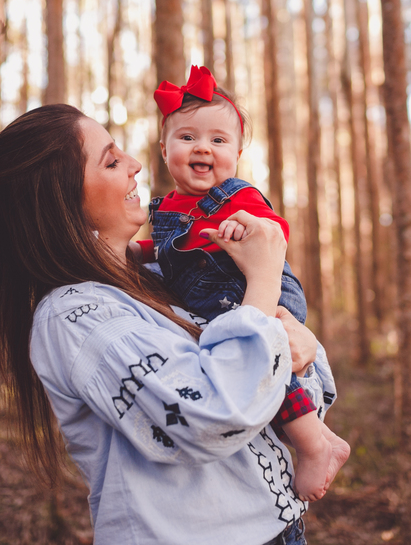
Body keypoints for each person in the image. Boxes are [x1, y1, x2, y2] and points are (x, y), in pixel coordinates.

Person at [0, 104, 329, 545]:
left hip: (282, 529)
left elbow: (301, 383)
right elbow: (217, 416)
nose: (137, 164)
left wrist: (302, 346)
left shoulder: (163, 279)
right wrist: (264, 282)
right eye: (111, 160)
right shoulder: (76, 317)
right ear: (61, 199)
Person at [134, 66, 350, 502]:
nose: (203, 148)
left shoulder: (236, 195)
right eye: (188, 137)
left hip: (251, 286)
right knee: (243, 368)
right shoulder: (167, 209)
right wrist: (128, 254)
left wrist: (241, 227)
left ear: (236, 152)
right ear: (164, 149)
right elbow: (160, 255)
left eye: (218, 140)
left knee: (261, 359)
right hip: (216, 302)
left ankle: (315, 443)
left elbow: (273, 232)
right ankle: (311, 439)